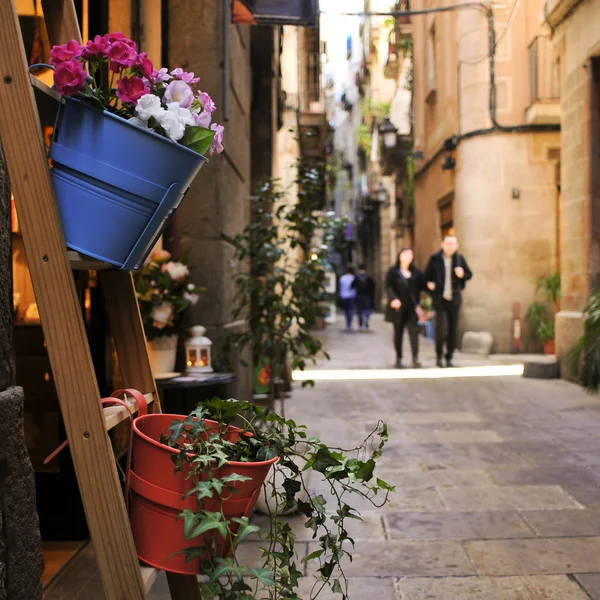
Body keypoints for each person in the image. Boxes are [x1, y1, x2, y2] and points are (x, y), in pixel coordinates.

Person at [424, 234, 473, 368]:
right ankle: (439, 355)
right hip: (440, 299)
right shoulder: (435, 259)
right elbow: (426, 277)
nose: (450, 246)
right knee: (441, 328)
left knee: (453, 329)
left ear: (456, 246)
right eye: (448, 243)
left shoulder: (459, 259)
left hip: (454, 299)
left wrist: (462, 274)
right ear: (442, 244)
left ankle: (449, 356)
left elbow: (469, 274)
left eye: (453, 244)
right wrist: (430, 285)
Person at [385, 248, 426, 368]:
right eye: (405, 254)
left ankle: (415, 357)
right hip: (398, 308)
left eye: (410, 255)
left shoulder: (417, 272)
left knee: (414, 332)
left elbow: (423, 285)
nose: (408, 257)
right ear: (400, 256)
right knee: (398, 333)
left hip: (412, 308)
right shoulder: (393, 271)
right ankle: (398, 358)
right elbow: (388, 286)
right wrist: (393, 299)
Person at [353, 264, 376, 330]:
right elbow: (373, 287)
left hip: (359, 295)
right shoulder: (369, 277)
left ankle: (360, 325)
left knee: (359, 311)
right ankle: (366, 317)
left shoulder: (356, 277)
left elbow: (352, 286)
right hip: (367, 295)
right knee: (368, 309)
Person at [339, 266, 357, 331]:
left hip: (344, 295)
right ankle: (349, 324)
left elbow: (340, 287)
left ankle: (347, 323)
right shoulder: (353, 278)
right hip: (351, 296)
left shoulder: (342, 278)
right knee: (350, 310)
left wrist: (341, 295)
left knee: (346, 310)